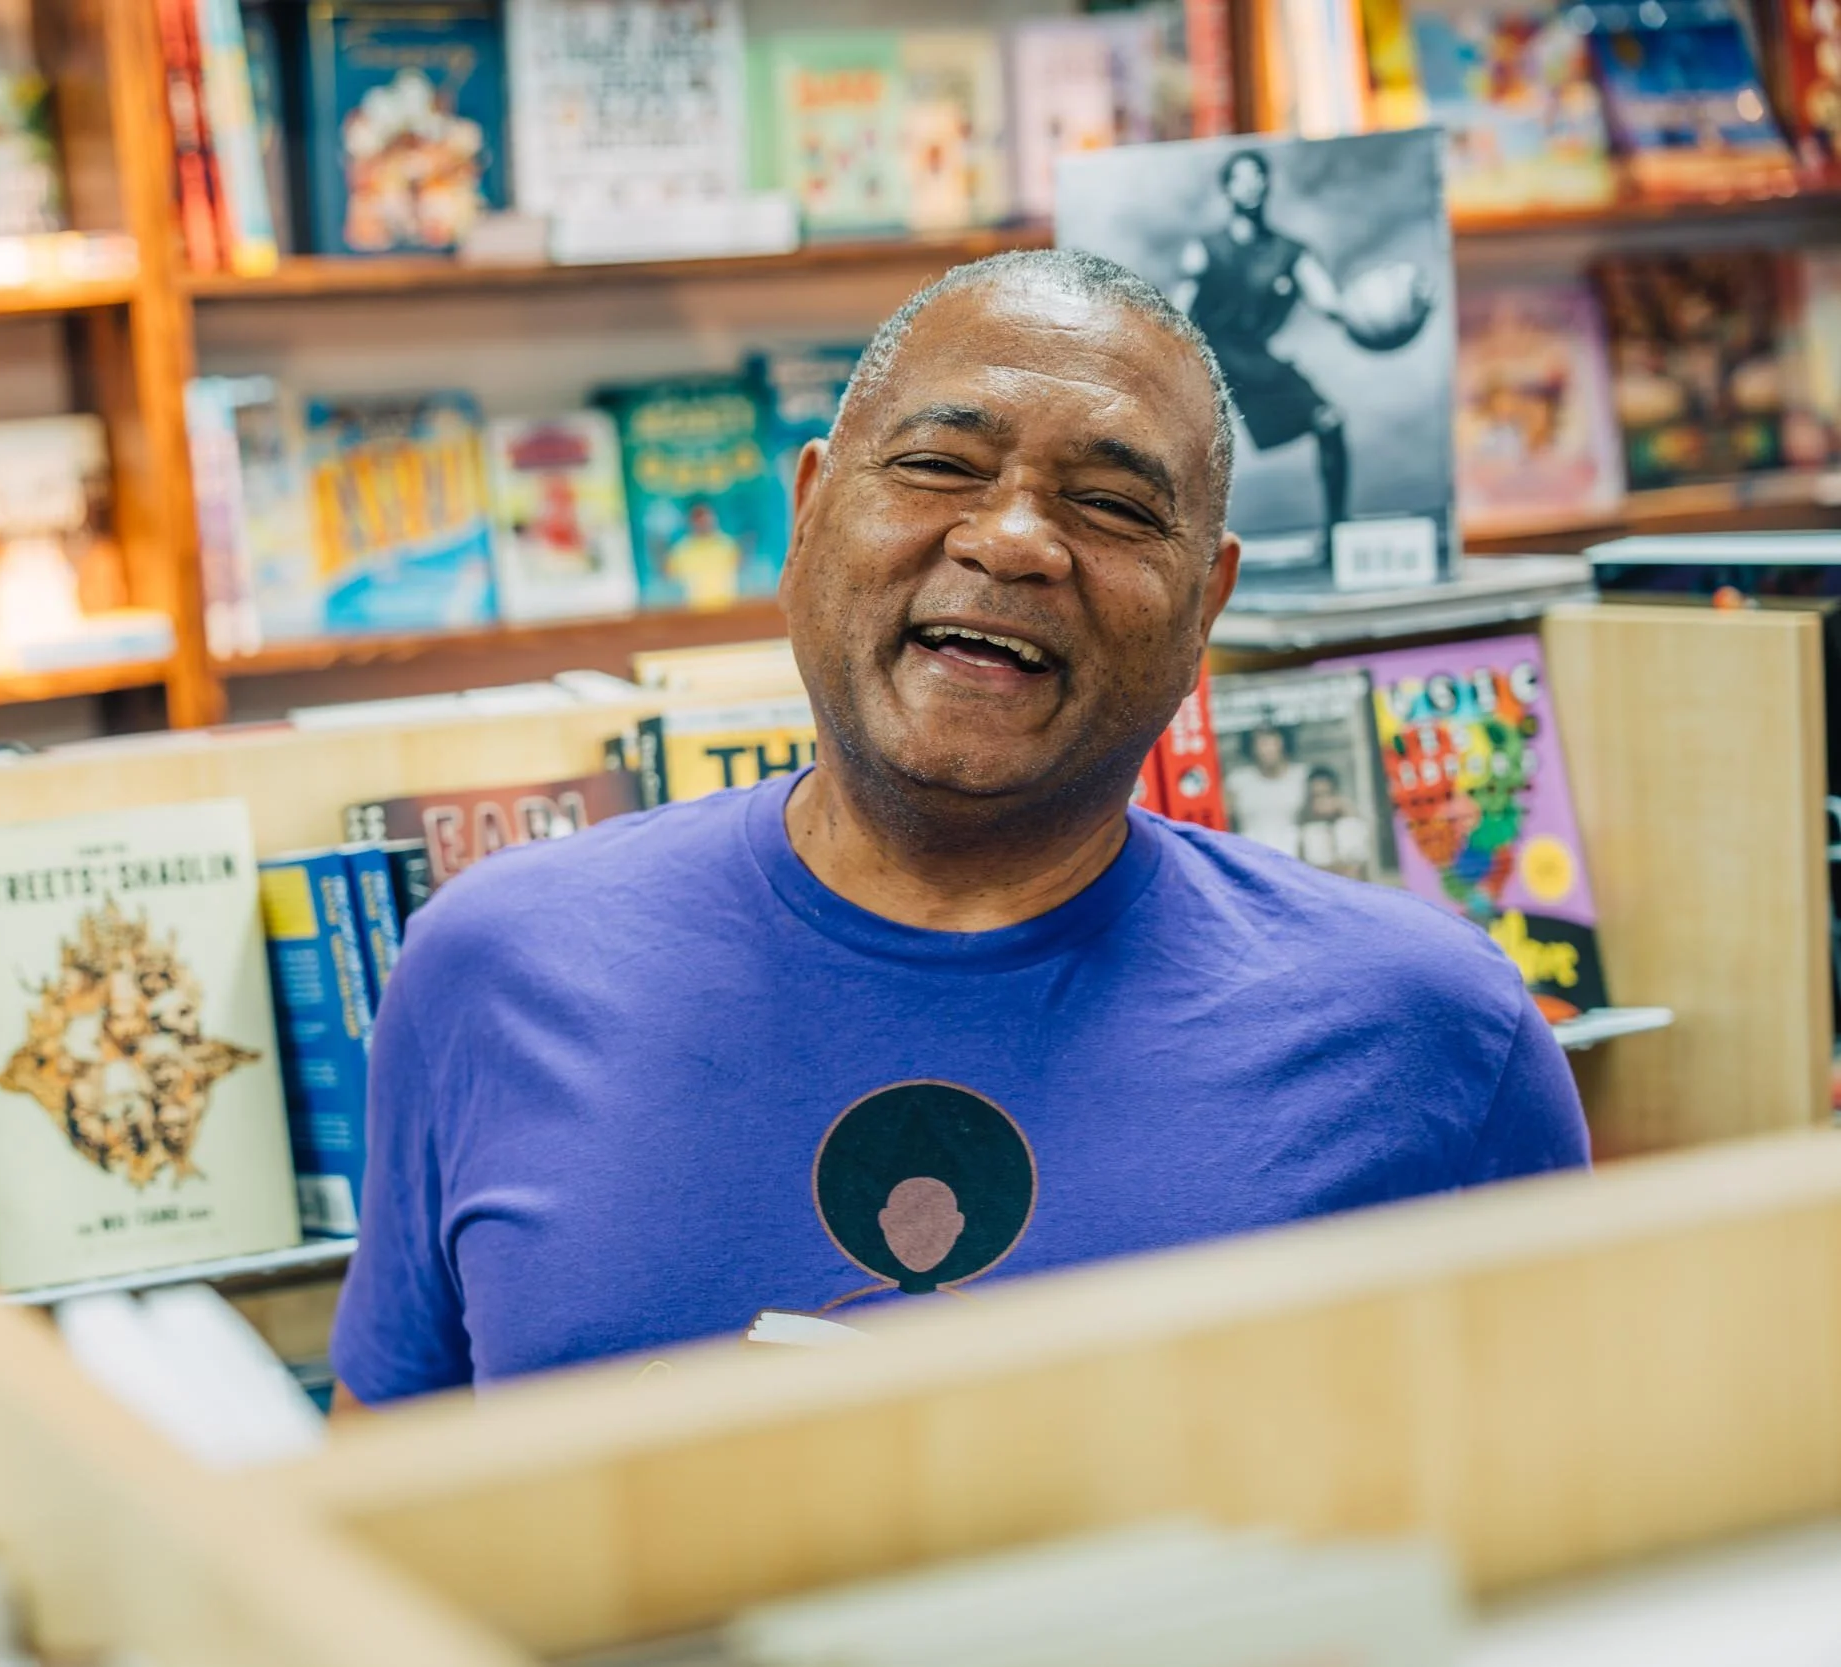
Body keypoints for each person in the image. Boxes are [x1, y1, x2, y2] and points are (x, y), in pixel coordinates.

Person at [329, 249, 1588, 1409]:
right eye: (938, 466)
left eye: (1112, 504)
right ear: (807, 515)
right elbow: (378, 1496)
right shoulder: (493, 966)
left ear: (1205, 604)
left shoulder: (1431, 1032)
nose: (1014, 540)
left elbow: (1577, 1504)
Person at [1175, 151, 1354, 537]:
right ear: (1228, 189)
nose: (1250, 185)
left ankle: (1338, 531)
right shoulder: (1204, 250)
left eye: (1257, 176)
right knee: (1188, 449)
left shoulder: (1289, 252)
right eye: (1240, 178)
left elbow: (1327, 302)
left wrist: (1366, 311)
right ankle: (1184, 545)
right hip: (1208, 356)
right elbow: (1177, 315)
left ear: (1266, 184)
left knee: (1329, 422)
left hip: (1254, 358)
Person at [1227, 724, 1309, 857]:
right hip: (1251, 857)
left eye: (1273, 743)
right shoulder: (1237, 781)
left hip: (1295, 856)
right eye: (1261, 744)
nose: (1267, 750)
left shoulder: (1303, 776)